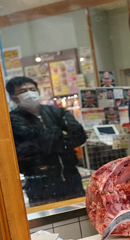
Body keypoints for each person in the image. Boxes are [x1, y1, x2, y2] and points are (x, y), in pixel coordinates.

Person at [6, 77, 87, 206]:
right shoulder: (12, 120)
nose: (29, 93)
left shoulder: (56, 111)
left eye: (32, 89)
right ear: (14, 98)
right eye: (23, 91)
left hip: (71, 177)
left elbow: (80, 135)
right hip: (39, 182)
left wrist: (49, 140)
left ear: (38, 91)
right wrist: (61, 133)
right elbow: (35, 144)